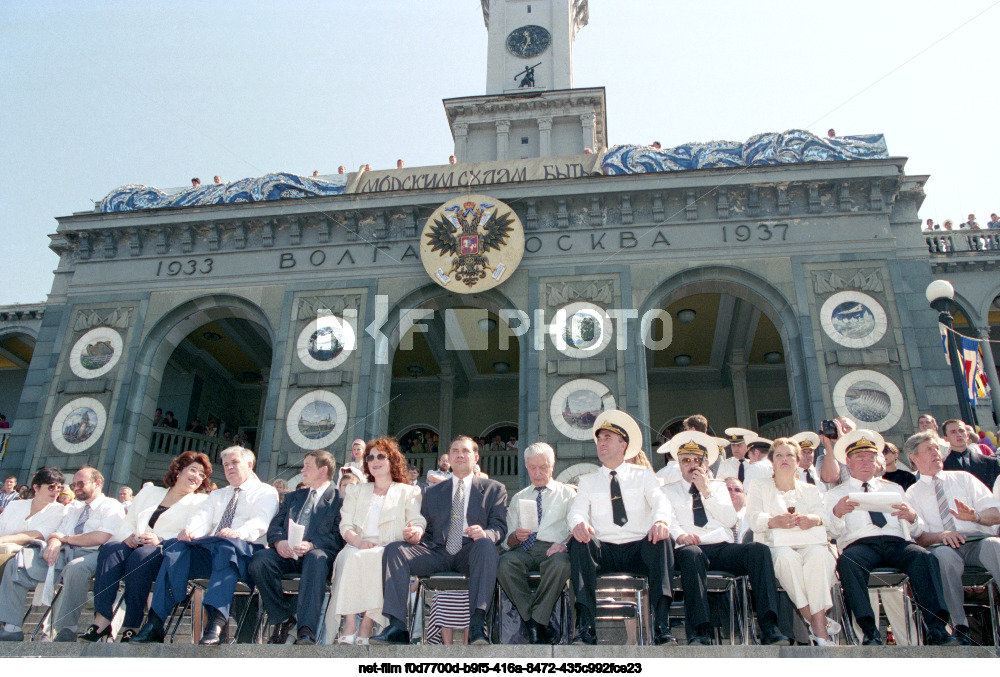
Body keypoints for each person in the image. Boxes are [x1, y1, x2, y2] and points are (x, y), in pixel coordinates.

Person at [131, 446, 279, 645]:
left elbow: (261, 521)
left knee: (227, 548)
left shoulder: (265, 491)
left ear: (249, 464)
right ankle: (155, 623)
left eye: (234, 463)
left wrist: (238, 533)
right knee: (177, 549)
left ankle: (215, 624)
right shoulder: (218, 495)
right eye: (226, 465)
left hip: (245, 551)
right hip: (213, 549)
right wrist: (190, 531)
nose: (229, 468)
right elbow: (203, 518)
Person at [824, 429, 957, 645]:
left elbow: (917, 531)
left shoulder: (894, 488)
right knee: (848, 562)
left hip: (897, 543)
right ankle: (870, 631)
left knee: (924, 557)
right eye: (860, 458)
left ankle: (937, 629)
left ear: (878, 461)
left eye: (870, 457)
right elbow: (832, 533)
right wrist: (837, 514)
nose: (866, 462)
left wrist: (912, 517)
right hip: (861, 546)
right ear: (848, 461)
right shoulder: (835, 494)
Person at [370, 435, 507, 646]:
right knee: (394, 550)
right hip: (438, 551)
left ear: (476, 457)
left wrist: (486, 534)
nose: (460, 455)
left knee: (486, 545)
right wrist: (416, 532)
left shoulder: (493, 489)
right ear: (448, 458)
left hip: (471, 551)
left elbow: (499, 527)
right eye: (455, 451)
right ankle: (397, 627)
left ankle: (478, 625)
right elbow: (425, 527)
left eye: (465, 451)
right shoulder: (432, 492)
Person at [662, 431, 788, 646]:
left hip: (721, 546)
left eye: (696, 460)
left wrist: (706, 491)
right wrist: (681, 536)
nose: (691, 465)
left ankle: (769, 627)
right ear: (679, 464)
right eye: (685, 461)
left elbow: (730, 519)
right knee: (692, 556)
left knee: (758, 551)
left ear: (706, 462)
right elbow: (667, 520)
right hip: (690, 547)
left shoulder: (719, 487)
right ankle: (700, 632)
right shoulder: (668, 491)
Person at [568, 410, 677, 646]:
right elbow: (576, 510)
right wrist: (579, 523)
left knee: (663, 541)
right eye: (599, 439)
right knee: (579, 541)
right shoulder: (588, 480)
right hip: (603, 550)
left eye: (607, 438)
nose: (602, 443)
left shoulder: (644, 475)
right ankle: (586, 627)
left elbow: (660, 501)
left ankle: (662, 626)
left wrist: (660, 521)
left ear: (623, 444)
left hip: (638, 548)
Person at [81, 451, 212, 642]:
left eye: (202, 475)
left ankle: (132, 625)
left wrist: (159, 539)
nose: (197, 477)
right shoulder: (150, 492)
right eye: (193, 470)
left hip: (164, 550)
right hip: (135, 542)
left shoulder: (201, 502)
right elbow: (129, 519)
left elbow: (193, 531)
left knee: (140, 556)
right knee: (110, 550)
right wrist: (128, 536)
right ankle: (101, 621)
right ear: (179, 470)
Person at [0, 466, 124, 642]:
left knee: (75, 569)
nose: (76, 488)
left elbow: (101, 537)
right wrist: (54, 543)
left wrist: (64, 538)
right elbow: (56, 533)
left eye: (81, 483)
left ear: (98, 483)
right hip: (65, 551)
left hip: (96, 554)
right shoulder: (74, 509)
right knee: (18, 563)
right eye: (73, 485)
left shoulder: (111, 506)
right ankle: (12, 627)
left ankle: (66, 628)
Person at [903, 430, 1000, 645]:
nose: (936, 453)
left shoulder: (964, 478)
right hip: (941, 544)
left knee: (997, 546)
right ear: (914, 458)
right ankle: (960, 627)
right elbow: (917, 537)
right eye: (929, 449)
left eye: (937, 448)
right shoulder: (911, 494)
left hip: (976, 541)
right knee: (945, 557)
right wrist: (942, 535)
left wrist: (976, 516)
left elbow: (996, 514)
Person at [325, 438, 422, 645]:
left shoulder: (408, 491)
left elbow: (416, 520)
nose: (374, 460)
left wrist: (414, 530)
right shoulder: (356, 490)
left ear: (392, 460)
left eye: (381, 456)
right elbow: (346, 526)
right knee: (351, 557)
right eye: (370, 457)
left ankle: (366, 626)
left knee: (381, 557)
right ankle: (350, 624)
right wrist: (359, 542)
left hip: (388, 547)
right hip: (356, 544)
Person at [746, 438, 838, 645]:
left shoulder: (810, 489)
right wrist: (773, 521)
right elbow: (753, 518)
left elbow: (825, 517)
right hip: (775, 544)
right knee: (787, 558)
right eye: (779, 455)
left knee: (820, 556)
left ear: (798, 461)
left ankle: (815, 621)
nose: (784, 459)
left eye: (789, 455)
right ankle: (817, 622)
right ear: (772, 461)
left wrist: (814, 519)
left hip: (809, 542)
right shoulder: (759, 486)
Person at [250, 450, 343, 645]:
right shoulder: (294, 497)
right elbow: (275, 525)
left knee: (315, 558)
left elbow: (339, 535)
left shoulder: (339, 500)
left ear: (323, 470)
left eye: (307, 466)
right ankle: (284, 617)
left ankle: (306, 629)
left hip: (318, 557)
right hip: (287, 554)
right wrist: (278, 541)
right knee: (260, 561)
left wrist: (312, 544)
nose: (302, 470)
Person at [498, 442, 575, 645]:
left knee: (562, 564)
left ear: (552, 466)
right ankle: (535, 620)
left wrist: (564, 544)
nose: (538, 473)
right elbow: (506, 541)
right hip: (524, 548)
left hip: (553, 549)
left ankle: (535, 622)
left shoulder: (568, 494)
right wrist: (515, 536)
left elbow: (575, 529)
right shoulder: (519, 497)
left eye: (543, 467)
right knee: (504, 563)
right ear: (526, 467)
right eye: (533, 468)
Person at [0, 468, 65, 575]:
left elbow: (36, 535)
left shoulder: (59, 510)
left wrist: (2, 540)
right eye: (51, 487)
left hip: (25, 557)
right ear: (36, 487)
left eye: (59, 488)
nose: (56, 491)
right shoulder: (14, 505)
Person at [941, 419, 1000, 488]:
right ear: (946, 438)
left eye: (961, 431)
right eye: (953, 432)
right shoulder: (942, 467)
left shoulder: (991, 463)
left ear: (968, 435)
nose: (959, 435)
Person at [818, 416, 856, 486]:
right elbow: (831, 477)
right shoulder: (823, 459)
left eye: (848, 428)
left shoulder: (870, 451)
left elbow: (876, 468)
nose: (843, 430)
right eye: (839, 428)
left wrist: (844, 444)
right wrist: (827, 445)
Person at [724, 478, 750, 543]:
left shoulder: (751, 516)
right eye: (728, 489)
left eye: (737, 490)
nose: (733, 493)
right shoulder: (712, 514)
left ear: (744, 496)